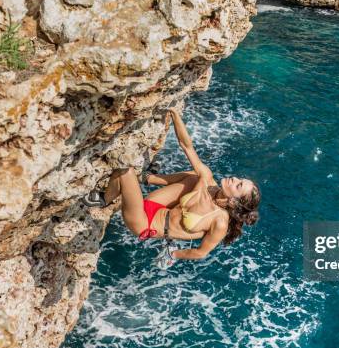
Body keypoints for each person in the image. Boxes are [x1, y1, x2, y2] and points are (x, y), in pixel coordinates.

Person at [83, 107, 261, 269]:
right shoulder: (209, 183)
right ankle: (148, 178)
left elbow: (201, 253)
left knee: (125, 171)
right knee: (196, 175)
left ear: (234, 201)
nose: (234, 178)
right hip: (156, 207)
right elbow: (187, 147)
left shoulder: (220, 222)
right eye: (239, 179)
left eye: (238, 185)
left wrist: (173, 254)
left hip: (145, 223)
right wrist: (175, 115)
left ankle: (104, 199)